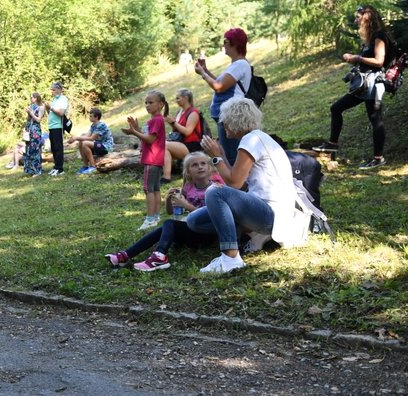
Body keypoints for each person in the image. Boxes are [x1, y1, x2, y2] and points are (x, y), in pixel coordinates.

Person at [189, 97, 303, 274]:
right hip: (266, 210)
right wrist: (221, 154)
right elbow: (235, 182)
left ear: (235, 121)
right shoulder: (257, 138)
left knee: (214, 192)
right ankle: (247, 237)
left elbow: (234, 183)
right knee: (194, 220)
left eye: (225, 120)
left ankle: (230, 257)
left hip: (271, 214)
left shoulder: (251, 140)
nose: (222, 124)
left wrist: (215, 156)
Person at [105, 152, 225, 271]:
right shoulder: (188, 188)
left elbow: (212, 215)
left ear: (209, 168)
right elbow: (170, 212)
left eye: (203, 163)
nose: (200, 166)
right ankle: (125, 255)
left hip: (206, 234)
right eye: (194, 165)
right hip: (191, 231)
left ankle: (159, 256)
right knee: (164, 227)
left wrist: (187, 205)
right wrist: (169, 199)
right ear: (188, 172)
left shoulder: (215, 188)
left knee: (169, 224)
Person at [313, 5, 392, 169]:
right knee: (336, 108)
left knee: (376, 120)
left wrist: (357, 58)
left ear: (366, 18)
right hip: (364, 86)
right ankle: (332, 144)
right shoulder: (370, 38)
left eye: (358, 17)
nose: (356, 20)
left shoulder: (379, 36)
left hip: (374, 84)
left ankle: (378, 158)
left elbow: (379, 61)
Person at [195, 27, 252, 164]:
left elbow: (218, 87)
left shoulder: (240, 64)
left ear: (235, 43)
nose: (223, 44)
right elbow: (220, 83)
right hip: (225, 116)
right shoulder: (236, 64)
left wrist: (202, 74)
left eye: (226, 41)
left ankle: (236, 183)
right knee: (228, 152)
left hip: (230, 117)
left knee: (231, 155)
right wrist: (206, 70)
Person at [123, 90, 168, 230]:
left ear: (160, 104)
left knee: (148, 189)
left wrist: (133, 132)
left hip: (152, 159)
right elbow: (146, 137)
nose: (147, 105)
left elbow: (150, 139)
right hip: (156, 158)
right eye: (146, 103)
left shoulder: (156, 120)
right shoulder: (156, 120)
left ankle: (149, 219)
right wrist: (136, 128)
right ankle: (155, 216)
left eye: (150, 102)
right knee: (155, 188)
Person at [163, 88, 205, 182]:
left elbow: (187, 132)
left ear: (185, 98)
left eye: (178, 98)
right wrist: (171, 122)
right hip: (181, 143)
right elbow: (176, 129)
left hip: (192, 145)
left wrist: (174, 122)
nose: (176, 101)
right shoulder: (180, 112)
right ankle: (167, 175)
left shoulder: (193, 113)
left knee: (164, 145)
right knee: (163, 146)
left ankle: (167, 176)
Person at [67, 107, 113, 175]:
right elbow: (86, 136)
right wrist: (74, 138)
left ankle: (93, 166)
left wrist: (76, 138)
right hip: (98, 146)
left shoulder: (101, 125)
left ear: (96, 117)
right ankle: (85, 166)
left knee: (85, 143)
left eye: (91, 116)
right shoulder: (93, 126)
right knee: (81, 142)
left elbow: (91, 138)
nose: (89, 118)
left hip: (106, 147)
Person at [44, 82, 69, 176]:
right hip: (51, 126)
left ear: (59, 89)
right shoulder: (54, 99)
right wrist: (47, 108)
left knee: (58, 148)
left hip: (58, 126)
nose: (52, 92)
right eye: (51, 90)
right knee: (53, 148)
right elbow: (51, 112)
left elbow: (61, 113)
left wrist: (51, 107)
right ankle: (56, 167)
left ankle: (60, 168)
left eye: (53, 90)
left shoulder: (63, 99)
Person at [22, 92, 45, 176]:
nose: (30, 99)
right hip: (29, 130)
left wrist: (31, 113)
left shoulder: (41, 107)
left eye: (32, 97)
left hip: (35, 130)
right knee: (29, 149)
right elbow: (29, 119)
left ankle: (37, 170)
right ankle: (30, 169)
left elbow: (38, 120)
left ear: (36, 98)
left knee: (35, 149)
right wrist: (28, 113)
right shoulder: (30, 106)